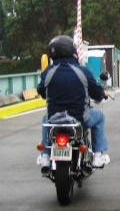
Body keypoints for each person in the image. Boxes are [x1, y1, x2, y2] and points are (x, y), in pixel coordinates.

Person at [36, 35, 111, 168]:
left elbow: (41, 91)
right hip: (80, 118)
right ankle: (98, 155)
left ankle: (46, 155)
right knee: (99, 117)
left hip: (54, 119)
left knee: (45, 119)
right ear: (71, 51)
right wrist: (102, 94)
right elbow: (96, 92)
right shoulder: (82, 71)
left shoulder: (48, 72)